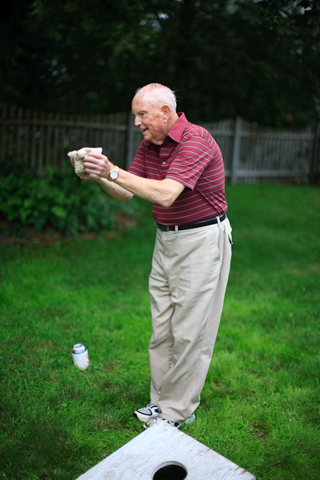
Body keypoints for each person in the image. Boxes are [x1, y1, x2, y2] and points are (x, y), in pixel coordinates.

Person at [71, 83, 233, 429]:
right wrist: (100, 174)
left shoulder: (196, 139)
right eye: (134, 115)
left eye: (141, 114)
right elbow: (126, 193)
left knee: (191, 330)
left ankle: (178, 411)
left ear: (165, 111)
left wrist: (112, 169)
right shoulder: (150, 146)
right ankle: (160, 402)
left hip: (202, 240)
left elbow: (165, 194)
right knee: (162, 328)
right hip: (166, 241)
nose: (136, 123)